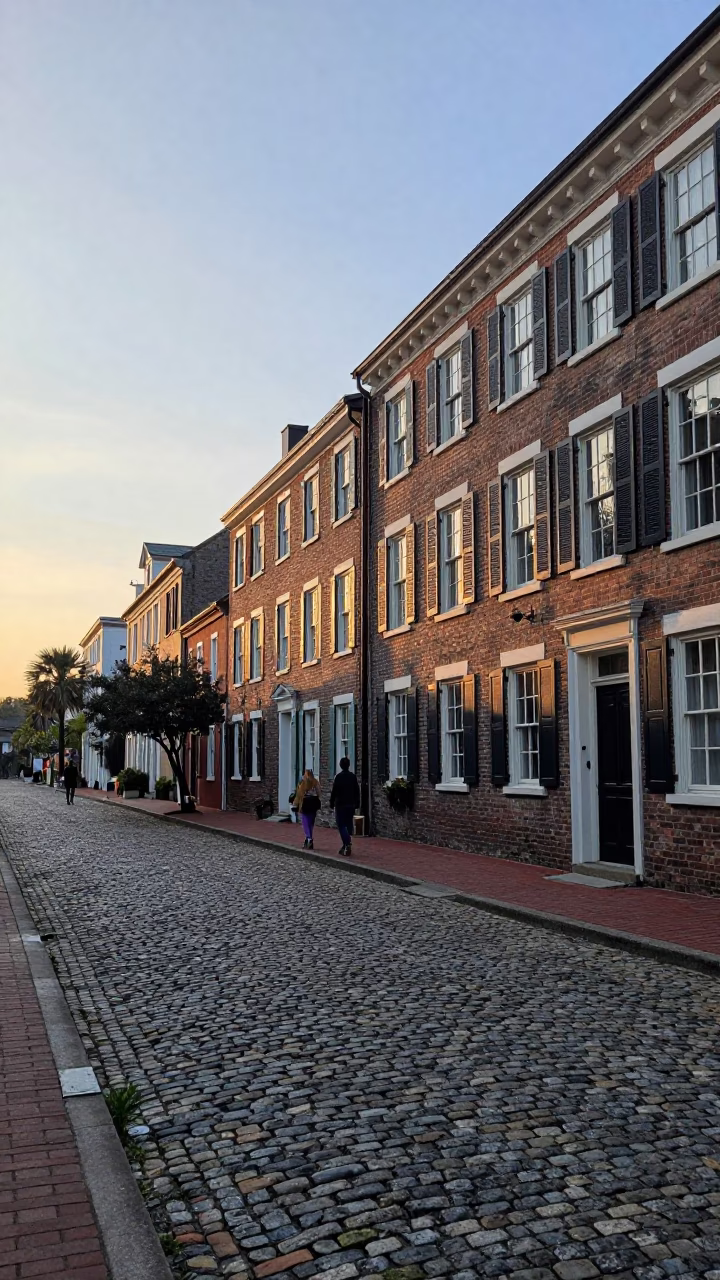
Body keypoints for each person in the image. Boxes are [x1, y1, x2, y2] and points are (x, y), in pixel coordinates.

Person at [330, 757, 360, 857]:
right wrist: (357, 803)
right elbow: (357, 791)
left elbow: (334, 791)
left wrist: (331, 802)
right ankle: (345, 845)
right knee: (348, 824)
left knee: (341, 825)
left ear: (340, 765)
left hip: (340, 804)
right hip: (350, 804)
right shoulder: (353, 776)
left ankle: (347, 843)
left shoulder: (338, 777)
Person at [294, 767, 321, 849]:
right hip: (313, 804)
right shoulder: (315, 782)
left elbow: (299, 794)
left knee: (305, 822)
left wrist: (296, 803)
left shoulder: (303, 782)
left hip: (305, 803)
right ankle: (309, 838)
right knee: (311, 822)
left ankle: (309, 838)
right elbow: (319, 793)